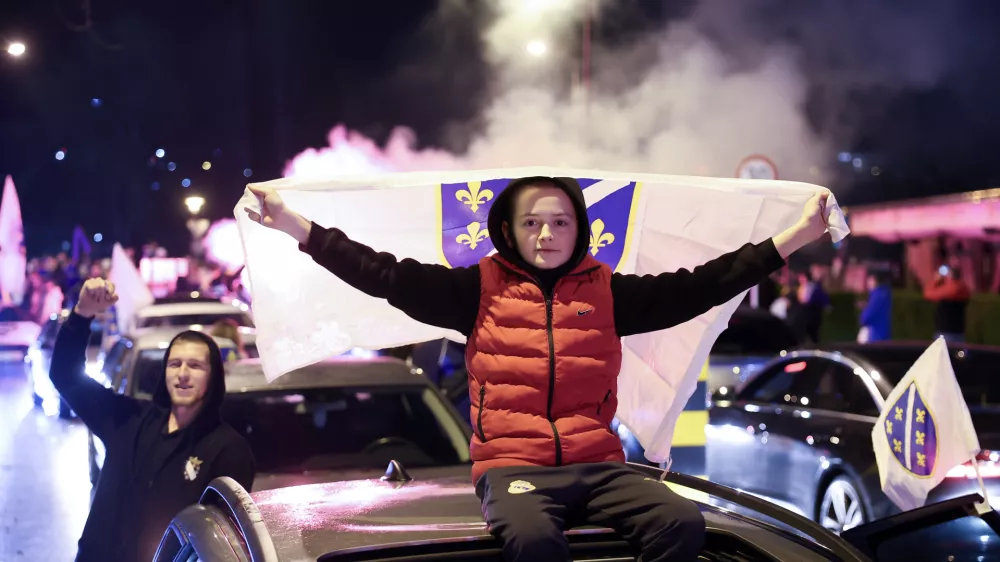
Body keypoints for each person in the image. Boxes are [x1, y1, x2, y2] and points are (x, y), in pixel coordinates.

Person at [245, 176, 830, 562]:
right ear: (508, 229)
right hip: (513, 468)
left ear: (580, 228)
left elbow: (703, 286)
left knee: (681, 524)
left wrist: (797, 236)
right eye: (531, 223)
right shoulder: (476, 289)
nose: (546, 233)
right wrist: (298, 226)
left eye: (559, 222)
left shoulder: (607, 291)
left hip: (600, 465)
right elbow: (383, 274)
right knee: (533, 543)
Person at [50, 278, 256, 562]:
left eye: (195, 366)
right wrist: (83, 313)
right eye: (175, 364)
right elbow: (65, 376)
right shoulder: (129, 419)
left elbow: (226, 542)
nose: (183, 373)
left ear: (213, 376)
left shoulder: (227, 449)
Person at [923, 263, 971, 342]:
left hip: (946, 332)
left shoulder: (951, 289)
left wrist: (935, 280)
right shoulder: (963, 288)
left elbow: (928, 294)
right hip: (959, 331)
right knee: (959, 353)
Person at [858, 270, 892, 343]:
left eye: (868, 280)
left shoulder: (877, 295)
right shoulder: (885, 293)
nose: (867, 284)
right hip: (884, 335)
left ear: (873, 280)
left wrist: (864, 312)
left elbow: (866, 317)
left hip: (875, 337)